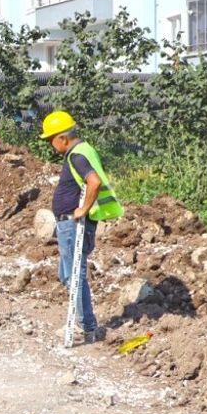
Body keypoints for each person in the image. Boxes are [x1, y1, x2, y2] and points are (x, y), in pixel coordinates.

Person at [38, 110, 123, 344]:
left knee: (75, 276)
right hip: (68, 225)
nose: (50, 145)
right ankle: (83, 321)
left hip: (74, 225)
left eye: (50, 140)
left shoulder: (77, 155)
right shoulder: (81, 151)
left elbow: (93, 182)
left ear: (63, 138)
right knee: (67, 274)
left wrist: (82, 210)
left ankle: (86, 326)